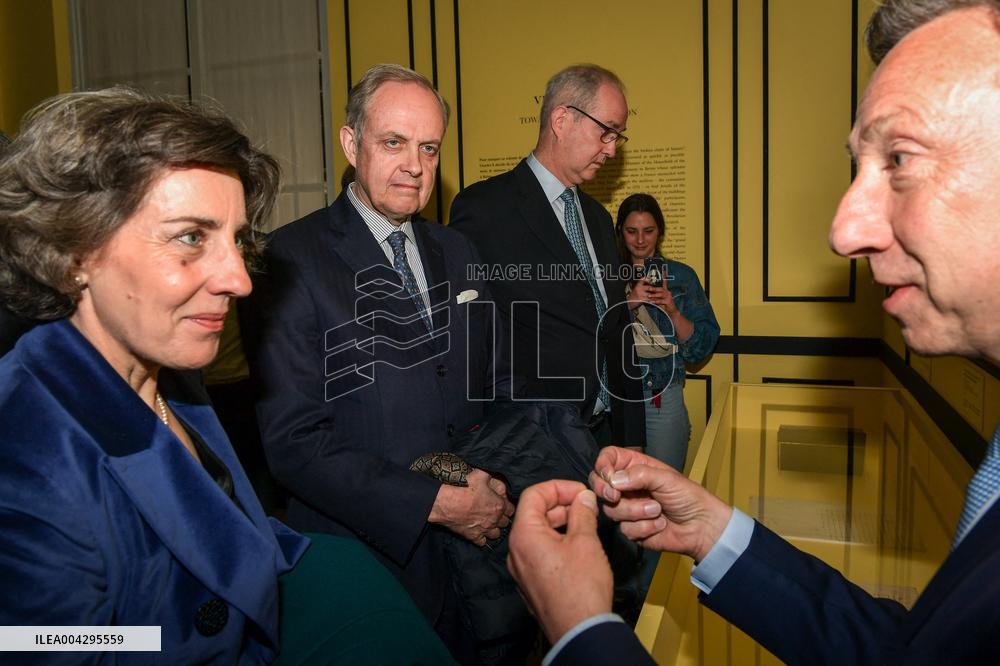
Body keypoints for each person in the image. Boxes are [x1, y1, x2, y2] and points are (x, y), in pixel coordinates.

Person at [507, 1, 1000, 664]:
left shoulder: (673, 274)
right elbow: (904, 650)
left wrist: (581, 633)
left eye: (901, 158)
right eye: (858, 165)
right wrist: (712, 528)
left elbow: (700, 339)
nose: (844, 228)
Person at [0, 87, 452, 664]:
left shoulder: (171, 377)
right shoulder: (22, 450)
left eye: (236, 241)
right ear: (74, 251)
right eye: (191, 238)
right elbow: (56, 646)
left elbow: (234, 539)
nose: (239, 280)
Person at [244, 63, 514, 662]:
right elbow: (294, 443)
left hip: (477, 565)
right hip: (368, 565)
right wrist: (437, 504)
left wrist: (513, 478)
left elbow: (493, 381)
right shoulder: (291, 259)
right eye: (393, 142)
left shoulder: (458, 249)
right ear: (350, 143)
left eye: (429, 147)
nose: (415, 165)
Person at [449, 64, 645, 449]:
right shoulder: (485, 209)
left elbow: (618, 328)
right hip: (535, 440)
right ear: (562, 119)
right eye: (605, 131)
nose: (610, 148)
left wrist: (632, 436)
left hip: (605, 435)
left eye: (617, 137)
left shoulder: (598, 218)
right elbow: (468, 336)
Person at [615, 193, 719, 472]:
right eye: (631, 231)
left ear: (659, 231)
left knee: (665, 489)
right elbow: (589, 335)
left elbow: (700, 349)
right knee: (619, 494)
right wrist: (629, 302)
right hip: (617, 398)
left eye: (648, 231)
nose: (640, 240)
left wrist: (672, 311)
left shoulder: (682, 277)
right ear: (620, 233)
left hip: (662, 395)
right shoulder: (606, 275)